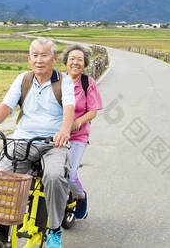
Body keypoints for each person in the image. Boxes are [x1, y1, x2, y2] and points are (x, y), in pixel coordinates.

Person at [0, 37, 75, 248]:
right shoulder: (23, 79)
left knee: (55, 176)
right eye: (35, 55)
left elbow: (69, 108)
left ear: (54, 59)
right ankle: (5, 226)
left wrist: (64, 132)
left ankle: (55, 229)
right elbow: (6, 105)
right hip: (23, 139)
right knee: (4, 175)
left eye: (44, 55)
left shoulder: (64, 81)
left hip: (53, 143)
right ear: (30, 58)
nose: (39, 60)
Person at [62, 44, 103, 220]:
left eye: (79, 59)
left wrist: (78, 122)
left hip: (78, 136)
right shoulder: (57, 81)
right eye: (72, 59)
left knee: (70, 176)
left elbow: (93, 111)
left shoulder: (88, 83)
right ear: (66, 62)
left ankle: (80, 196)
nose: (75, 62)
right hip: (57, 134)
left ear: (85, 63)